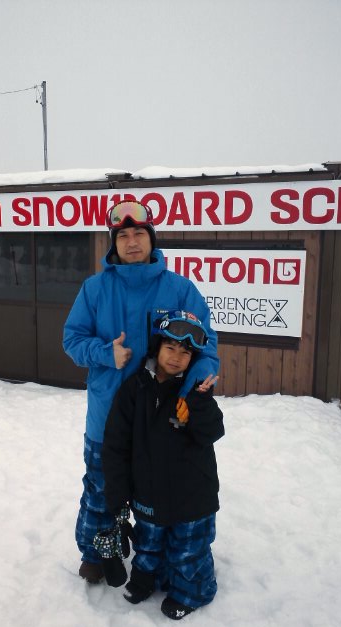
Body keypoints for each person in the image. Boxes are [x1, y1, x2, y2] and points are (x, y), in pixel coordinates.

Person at [63, 200, 219, 584]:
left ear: (151, 239)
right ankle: (96, 554)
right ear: (113, 243)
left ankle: (157, 559)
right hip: (107, 419)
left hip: (163, 422)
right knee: (102, 490)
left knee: (159, 495)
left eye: (139, 234)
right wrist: (106, 353)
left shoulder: (180, 289)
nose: (132, 242)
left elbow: (207, 347)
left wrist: (190, 391)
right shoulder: (94, 289)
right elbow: (72, 340)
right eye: (123, 236)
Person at [101, 310, 225, 619]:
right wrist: (118, 494)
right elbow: (116, 444)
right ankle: (147, 579)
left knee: (188, 550)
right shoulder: (135, 388)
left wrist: (198, 405)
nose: (177, 357)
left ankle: (192, 591)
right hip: (148, 490)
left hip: (192, 495)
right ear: (157, 348)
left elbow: (213, 432)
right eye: (170, 348)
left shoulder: (195, 391)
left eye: (185, 352)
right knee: (149, 543)